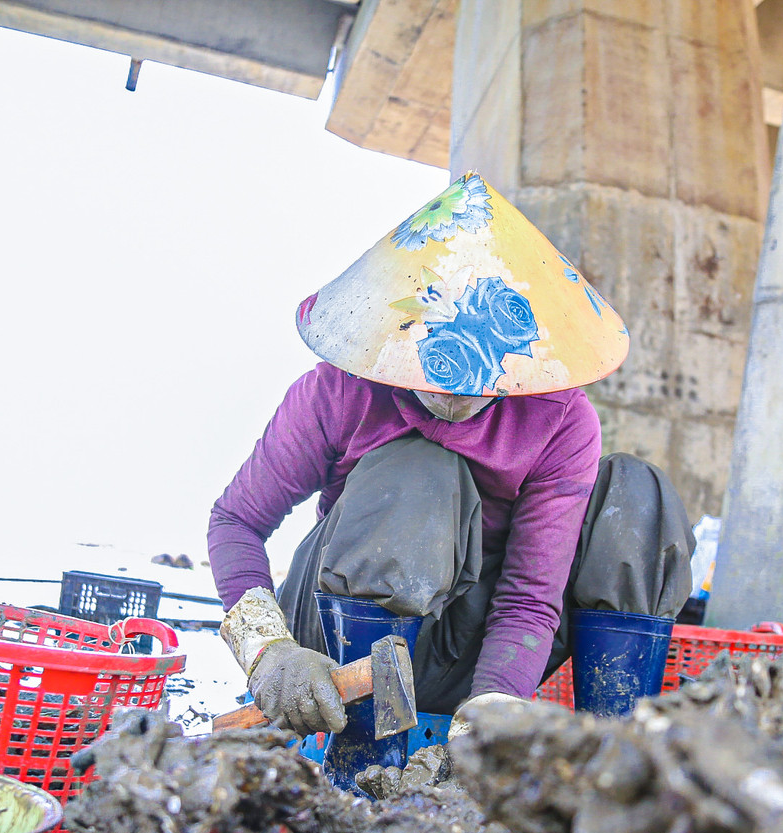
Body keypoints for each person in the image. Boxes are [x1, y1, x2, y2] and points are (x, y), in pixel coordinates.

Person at [208, 172, 694, 741]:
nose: (455, 399)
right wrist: (269, 652)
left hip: (473, 650)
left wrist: (490, 710)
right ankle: (363, 753)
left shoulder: (562, 419)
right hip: (340, 645)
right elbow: (236, 521)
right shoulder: (338, 392)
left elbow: (529, 596)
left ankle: (614, 754)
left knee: (637, 494)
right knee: (422, 468)